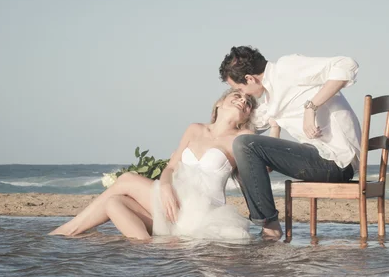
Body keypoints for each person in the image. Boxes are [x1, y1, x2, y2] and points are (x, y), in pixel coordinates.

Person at [49, 89, 257, 241]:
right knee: (114, 203)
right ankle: (149, 249)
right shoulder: (195, 129)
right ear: (219, 103)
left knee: (127, 180)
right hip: (173, 204)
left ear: (247, 115)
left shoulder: (242, 137)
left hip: (203, 211)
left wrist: (275, 128)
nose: (243, 101)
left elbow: (263, 167)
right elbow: (170, 168)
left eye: (248, 102)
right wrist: (165, 186)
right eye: (237, 96)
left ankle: (66, 231)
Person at [219, 46, 362, 239]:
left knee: (244, 144)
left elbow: (346, 64)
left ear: (249, 78)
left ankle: (270, 226)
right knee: (241, 148)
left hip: (336, 160)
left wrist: (311, 107)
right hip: (321, 158)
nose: (244, 95)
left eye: (240, 89)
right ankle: (265, 224)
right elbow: (241, 126)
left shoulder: (286, 68)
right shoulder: (270, 102)